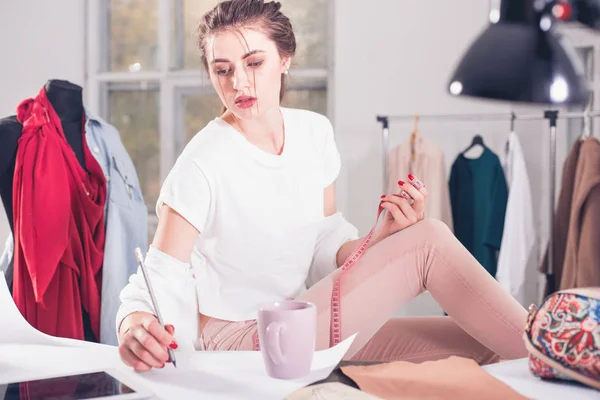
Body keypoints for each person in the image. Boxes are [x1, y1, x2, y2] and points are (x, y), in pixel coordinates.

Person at [116, 0, 528, 372]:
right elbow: (157, 277)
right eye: (222, 70)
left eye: (254, 63)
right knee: (429, 242)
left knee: (483, 341)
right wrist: (134, 324)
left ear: (285, 59)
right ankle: (564, 346)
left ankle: (552, 350)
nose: (238, 83)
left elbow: (322, 241)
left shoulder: (314, 133)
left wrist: (379, 237)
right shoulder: (202, 161)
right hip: (242, 342)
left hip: (303, 321)